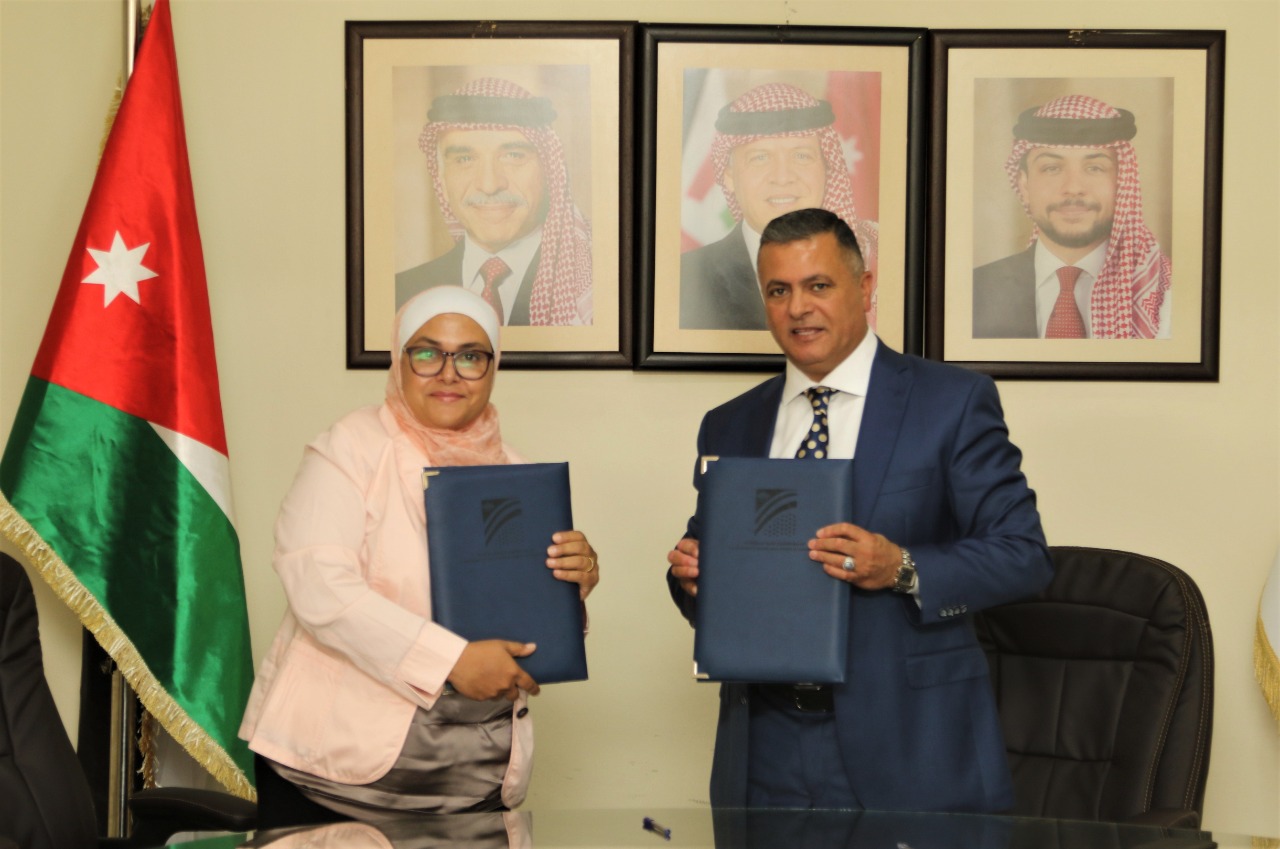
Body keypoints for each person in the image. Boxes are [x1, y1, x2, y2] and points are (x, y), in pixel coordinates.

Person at [666, 208, 1052, 812]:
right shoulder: (730, 423)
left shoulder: (950, 402)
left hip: (910, 741)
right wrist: (693, 576)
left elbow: (1023, 556)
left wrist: (901, 566)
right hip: (763, 747)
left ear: (865, 287)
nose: (798, 308)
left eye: (818, 285)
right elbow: (712, 568)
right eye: (778, 291)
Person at [239, 286, 600, 823]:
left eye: (470, 357)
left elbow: (523, 623)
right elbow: (319, 586)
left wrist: (571, 586)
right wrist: (449, 661)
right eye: (428, 353)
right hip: (336, 775)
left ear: (493, 367)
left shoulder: (517, 472)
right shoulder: (350, 448)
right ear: (399, 360)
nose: (448, 374)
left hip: (475, 782)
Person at [680, 82, 879, 330]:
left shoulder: (876, 262)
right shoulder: (683, 280)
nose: (783, 177)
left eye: (801, 156)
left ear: (827, 167)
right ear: (729, 176)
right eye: (760, 158)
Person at [395, 78, 593, 327]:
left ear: (550, 173)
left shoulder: (595, 292)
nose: (489, 185)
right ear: (442, 181)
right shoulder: (400, 295)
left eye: (513, 156)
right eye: (465, 159)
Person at [973, 94, 1172, 339]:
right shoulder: (974, 292)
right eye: (1052, 168)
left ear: (1122, 183)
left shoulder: (1166, 295)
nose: (1073, 187)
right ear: (1024, 185)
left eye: (1094, 168)